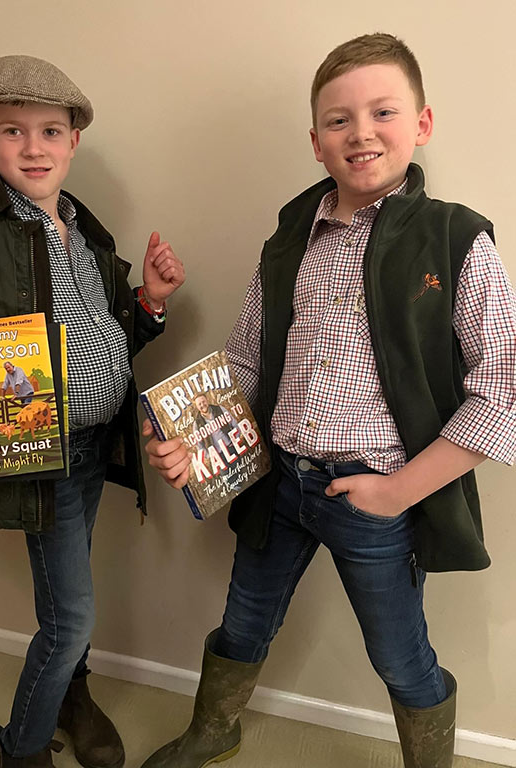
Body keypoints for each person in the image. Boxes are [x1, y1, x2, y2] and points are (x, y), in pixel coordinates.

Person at [142, 33, 516, 768]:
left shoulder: (456, 240)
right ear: (316, 142)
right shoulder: (288, 241)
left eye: (383, 111)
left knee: (400, 655)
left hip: (375, 498)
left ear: (422, 124)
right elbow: (247, 360)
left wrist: (400, 491)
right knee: (243, 619)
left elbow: (504, 387)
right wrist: (195, 435)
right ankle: (215, 727)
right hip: (279, 480)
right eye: (338, 120)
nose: (361, 132)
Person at [0, 55, 184, 768]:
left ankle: (71, 696)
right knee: (71, 619)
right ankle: (24, 753)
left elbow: (107, 337)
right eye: (13, 130)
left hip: (95, 449)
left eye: (50, 131)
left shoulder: (88, 231)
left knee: (69, 599)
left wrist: (147, 303)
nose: (34, 147)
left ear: (73, 142)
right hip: (38, 458)